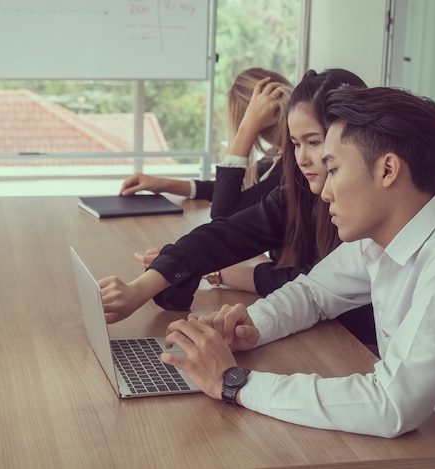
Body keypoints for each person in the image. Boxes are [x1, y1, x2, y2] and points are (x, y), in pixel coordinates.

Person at [160, 86, 435, 469]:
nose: (324, 192)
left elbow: (391, 404)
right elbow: (314, 292)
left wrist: (234, 382)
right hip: (417, 443)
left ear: (387, 170)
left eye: (335, 170)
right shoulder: (382, 238)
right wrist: (253, 326)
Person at [100, 69, 376, 347]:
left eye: (313, 142)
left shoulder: (366, 215)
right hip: (319, 338)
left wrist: (217, 274)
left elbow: (307, 281)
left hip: (354, 348)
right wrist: (137, 290)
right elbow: (225, 232)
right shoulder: (299, 192)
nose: (302, 158)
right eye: (295, 144)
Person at [119, 67, 292, 220]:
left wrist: (245, 130)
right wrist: (164, 184)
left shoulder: (289, 170)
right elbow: (225, 193)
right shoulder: (278, 157)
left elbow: (223, 216)